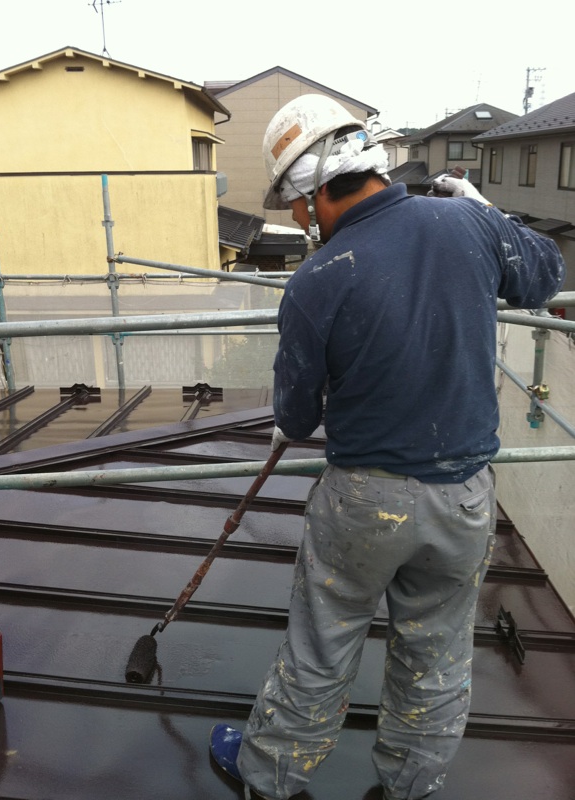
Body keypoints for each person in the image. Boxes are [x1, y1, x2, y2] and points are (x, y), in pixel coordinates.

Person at [209, 94, 565, 800]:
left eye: (296, 204)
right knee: (434, 654)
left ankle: (269, 777)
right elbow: (544, 277)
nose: (299, 219)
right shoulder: (466, 223)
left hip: (364, 502)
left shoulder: (316, 278)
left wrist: (291, 408)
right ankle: (407, 787)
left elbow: (298, 416)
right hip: (463, 497)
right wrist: (491, 212)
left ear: (312, 192)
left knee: (322, 646)